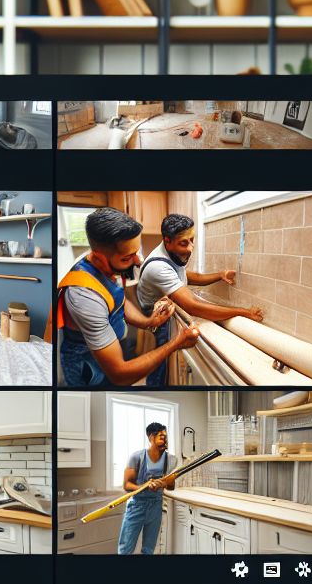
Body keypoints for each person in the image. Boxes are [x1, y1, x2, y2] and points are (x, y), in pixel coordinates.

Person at [56, 207, 200, 387]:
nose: (139, 261)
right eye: (127, 258)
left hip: (110, 346)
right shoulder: (83, 296)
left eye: (136, 252)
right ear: (100, 258)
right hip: (88, 365)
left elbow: (118, 301)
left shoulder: (107, 263)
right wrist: (176, 343)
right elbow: (120, 374)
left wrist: (149, 322)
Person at [137, 213, 265, 387]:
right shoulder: (158, 267)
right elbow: (193, 306)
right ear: (167, 241)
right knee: (160, 364)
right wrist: (243, 312)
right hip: (155, 318)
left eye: (192, 240)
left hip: (158, 310)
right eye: (184, 243)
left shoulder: (170, 254)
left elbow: (189, 277)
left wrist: (219, 275)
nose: (191, 248)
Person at [117, 422, 178, 556]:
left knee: (149, 550)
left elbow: (171, 486)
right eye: (161, 437)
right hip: (136, 506)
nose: (165, 440)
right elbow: (126, 485)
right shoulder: (136, 457)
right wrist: (143, 486)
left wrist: (163, 484)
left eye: (166, 437)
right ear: (151, 437)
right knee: (125, 549)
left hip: (156, 507)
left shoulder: (171, 460)